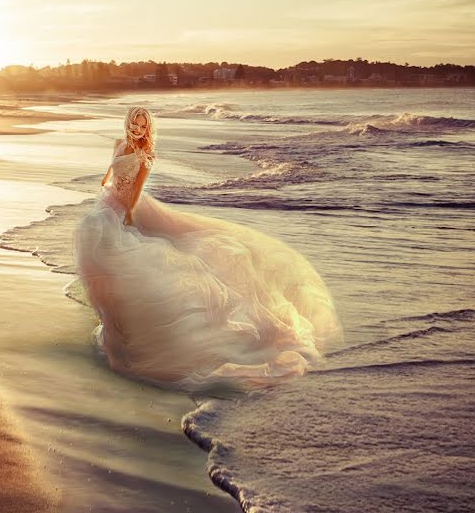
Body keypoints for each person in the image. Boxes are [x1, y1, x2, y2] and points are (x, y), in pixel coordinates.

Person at [73, 106, 342, 390]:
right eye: (135, 124)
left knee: (125, 260)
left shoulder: (146, 157)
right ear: (128, 123)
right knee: (97, 254)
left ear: (147, 128)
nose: (138, 129)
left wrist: (125, 216)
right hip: (105, 203)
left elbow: (136, 192)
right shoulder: (118, 145)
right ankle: (114, 327)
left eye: (143, 126)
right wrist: (105, 194)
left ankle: (134, 338)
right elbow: (108, 177)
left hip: (124, 209)